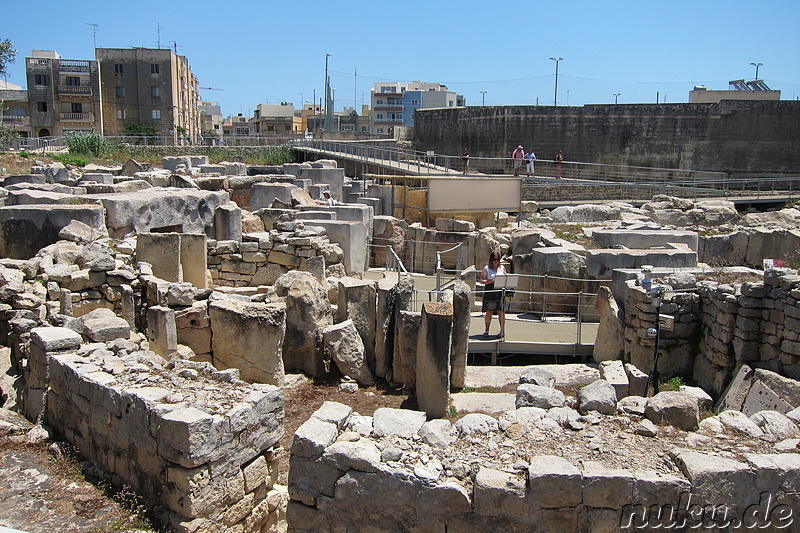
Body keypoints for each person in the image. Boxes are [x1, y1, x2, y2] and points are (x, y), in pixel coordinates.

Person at [480, 250, 506, 338]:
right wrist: (492, 281)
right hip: (490, 291)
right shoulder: (486, 268)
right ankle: (486, 330)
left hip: (500, 292)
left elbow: (506, 277)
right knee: (489, 312)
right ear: (491, 259)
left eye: (498, 259)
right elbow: (482, 280)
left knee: (501, 312)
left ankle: (502, 331)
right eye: (494, 259)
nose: (496, 261)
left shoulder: (502, 268)